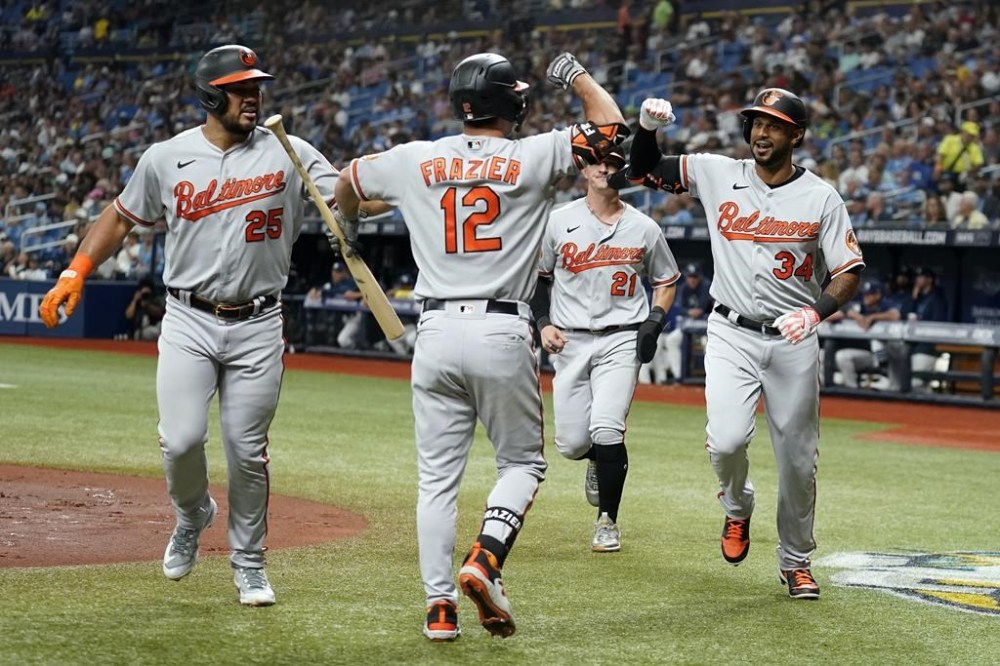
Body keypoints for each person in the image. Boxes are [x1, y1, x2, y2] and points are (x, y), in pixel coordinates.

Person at [38, 44, 351, 607]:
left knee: (246, 451)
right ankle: (192, 514)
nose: (253, 96)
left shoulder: (289, 151)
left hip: (259, 320)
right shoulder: (167, 157)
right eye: (240, 88)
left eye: (256, 86)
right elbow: (119, 217)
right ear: (211, 95)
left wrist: (397, 181)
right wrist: (76, 270)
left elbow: (349, 197)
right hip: (188, 316)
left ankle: (249, 563)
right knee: (180, 440)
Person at [333, 51, 626, 640]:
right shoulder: (534, 154)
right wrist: (573, 75)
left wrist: (352, 224)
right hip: (501, 325)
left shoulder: (416, 158)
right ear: (509, 102)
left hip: (434, 330)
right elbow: (611, 125)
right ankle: (487, 557)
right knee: (522, 463)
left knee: (436, 480)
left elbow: (346, 183)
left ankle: (438, 609)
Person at [613, 91, 865, 599]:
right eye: (754, 123)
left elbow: (848, 271)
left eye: (773, 125)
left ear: (796, 135)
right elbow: (641, 171)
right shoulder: (715, 171)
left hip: (794, 334)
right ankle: (736, 506)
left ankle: (795, 561)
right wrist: (645, 129)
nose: (760, 133)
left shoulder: (821, 197)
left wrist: (815, 311)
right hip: (730, 329)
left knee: (798, 460)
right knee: (726, 441)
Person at [530, 146, 678, 553]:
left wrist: (654, 321)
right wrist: (542, 324)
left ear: (623, 172)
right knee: (573, 443)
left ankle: (607, 520)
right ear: (584, 169)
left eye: (613, 163)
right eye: (598, 161)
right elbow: (539, 280)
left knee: (608, 427)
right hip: (570, 339)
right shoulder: (559, 221)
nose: (605, 168)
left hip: (620, 338)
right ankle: (596, 458)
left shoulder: (645, 227)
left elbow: (666, 280)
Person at [832, 278, 902, 390]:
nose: (866, 297)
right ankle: (851, 390)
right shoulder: (860, 305)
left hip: (889, 354)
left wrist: (873, 317)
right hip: (868, 355)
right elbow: (838, 312)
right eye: (865, 294)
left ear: (878, 295)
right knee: (842, 356)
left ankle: (883, 375)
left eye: (870, 294)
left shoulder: (885, 304)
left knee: (877, 340)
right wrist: (854, 315)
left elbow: (895, 315)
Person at [896, 266, 949, 391]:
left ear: (929, 280)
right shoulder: (917, 297)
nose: (918, 280)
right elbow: (903, 314)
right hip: (910, 346)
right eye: (918, 277)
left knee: (916, 384)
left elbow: (939, 323)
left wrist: (920, 323)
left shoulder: (937, 298)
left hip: (926, 347)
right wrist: (913, 297)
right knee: (907, 384)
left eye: (922, 277)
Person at [304, 260, 365, 349]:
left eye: (339, 272)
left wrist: (358, 295)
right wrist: (316, 289)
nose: (336, 274)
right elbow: (325, 289)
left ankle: (358, 352)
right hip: (344, 318)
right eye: (334, 271)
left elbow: (351, 293)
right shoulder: (332, 284)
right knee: (345, 339)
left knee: (343, 340)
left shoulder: (350, 282)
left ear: (344, 273)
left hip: (355, 317)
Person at [125, 277, 166, 341]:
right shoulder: (137, 300)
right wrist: (135, 301)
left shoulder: (155, 299)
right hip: (140, 330)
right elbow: (128, 315)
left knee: (159, 328)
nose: (145, 295)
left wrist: (148, 305)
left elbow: (160, 313)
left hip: (154, 326)